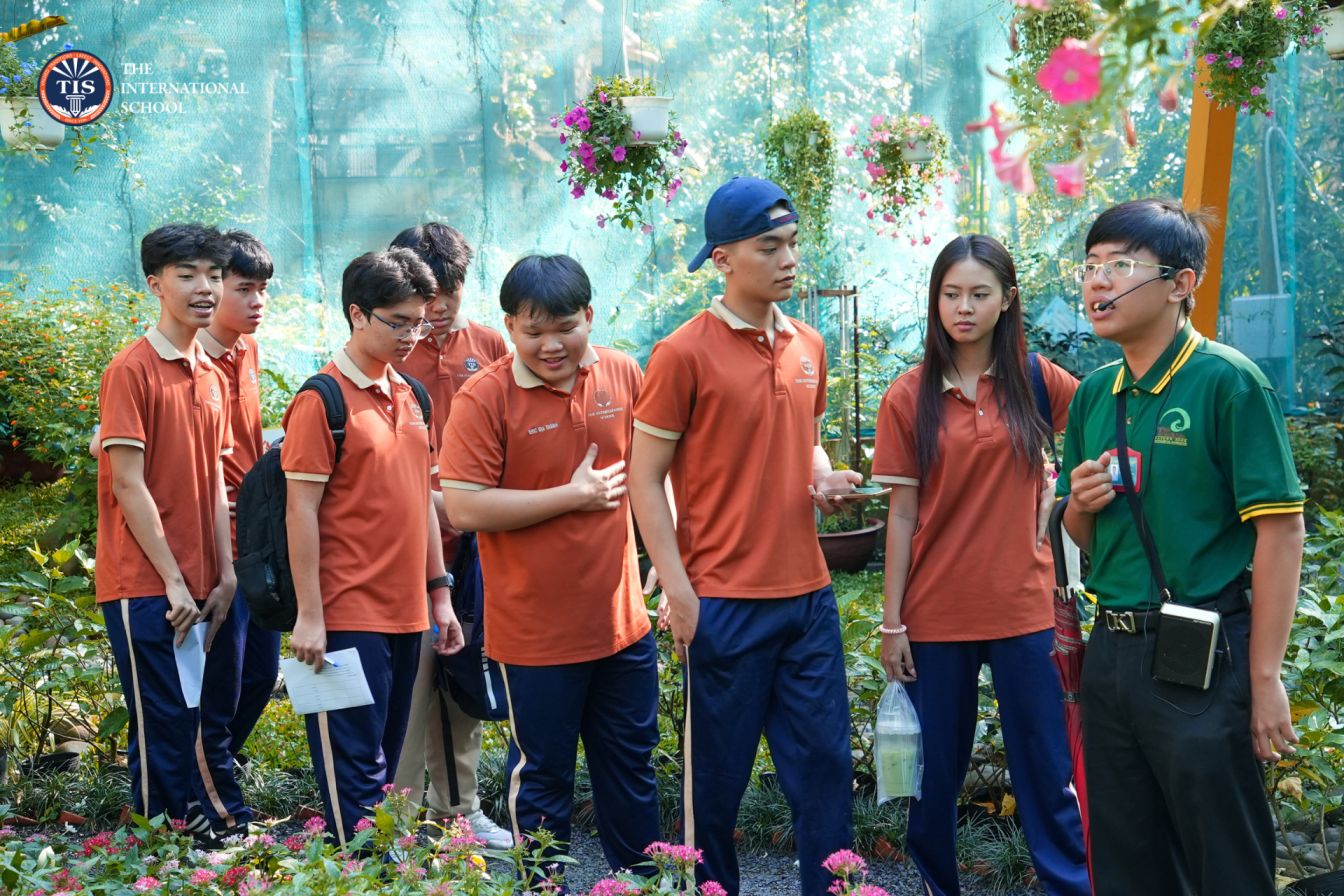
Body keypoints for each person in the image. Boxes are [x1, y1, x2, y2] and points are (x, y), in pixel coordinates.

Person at [1059, 198, 1305, 894]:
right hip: (1112, 654)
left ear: (1181, 283)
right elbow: (1083, 538)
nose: (1098, 281)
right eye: (1090, 266)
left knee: (1224, 860)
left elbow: (1281, 531)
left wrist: (1264, 680)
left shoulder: (1228, 382)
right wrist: (1077, 505)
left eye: (1120, 265)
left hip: (1203, 649)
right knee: (1127, 860)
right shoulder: (1095, 395)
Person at [628, 176, 859, 896]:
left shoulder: (808, 344)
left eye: (792, 243)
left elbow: (805, 440)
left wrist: (823, 478)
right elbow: (644, 479)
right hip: (722, 603)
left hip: (809, 600)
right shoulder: (681, 354)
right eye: (769, 247)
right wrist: (678, 588)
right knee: (715, 787)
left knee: (825, 771)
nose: (788, 259)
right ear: (723, 259)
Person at [871, 235, 1089, 896]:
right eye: (950, 294)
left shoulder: (1036, 379)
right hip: (936, 616)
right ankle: (938, 886)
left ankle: (1070, 888)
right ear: (935, 300)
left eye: (978, 294)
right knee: (933, 780)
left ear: (1007, 300)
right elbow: (901, 517)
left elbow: (1105, 429)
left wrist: (1063, 490)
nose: (963, 308)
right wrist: (891, 623)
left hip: (1025, 609)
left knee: (1047, 774)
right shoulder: (908, 396)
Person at [439, 254, 660, 873]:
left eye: (565, 327)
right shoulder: (485, 397)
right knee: (542, 777)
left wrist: (670, 561)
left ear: (589, 315)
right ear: (510, 326)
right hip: (535, 636)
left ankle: (643, 885)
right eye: (533, 331)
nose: (551, 345)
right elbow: (465, 506)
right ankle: (543, 887)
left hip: (623, 626)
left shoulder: (621, 371)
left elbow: (653, 472)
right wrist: (572, 496)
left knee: (632, 767)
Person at [281, 248, 464, 845]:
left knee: (384, 769)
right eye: (398, 322)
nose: (412, 335)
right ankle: (365, 876)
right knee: (354, 771)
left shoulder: (413, 395)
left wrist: (440, 596)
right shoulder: (321, 400)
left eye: (419, 323)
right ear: (357, 314)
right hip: (344, 615)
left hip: (408, 615)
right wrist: (310, 616)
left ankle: (381, 874)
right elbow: (300, 512)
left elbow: (421, 501)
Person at [95, 223, 240, 834]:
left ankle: (179, 829)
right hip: (146, 583)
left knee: (195, 712)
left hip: (202, 582)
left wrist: (226, 574)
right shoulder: (131, 369)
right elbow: (128, 486)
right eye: (187, 275)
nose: (205, 288)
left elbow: (214, 482)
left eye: (214, 275)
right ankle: (160, 841)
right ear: (156, 284)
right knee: (160, 715)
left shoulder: (211, 373)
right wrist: (174, 582)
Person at [386, 223, 512, 848]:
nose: (437, 309)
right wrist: (432, 503)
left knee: (465, 677)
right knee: (410, 685)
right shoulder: (388, 349)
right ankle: (397, 818)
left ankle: (460, 810)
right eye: (426, 296)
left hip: (476, 548)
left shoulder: (490, 345)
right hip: (406, 546)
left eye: (450, 292)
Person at [196, 230, 280, 773]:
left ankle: (219, 767)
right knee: (219, 678)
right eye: (244, 289)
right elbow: (106, 440)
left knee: (260, 673)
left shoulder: (246, 350)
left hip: (255, 540)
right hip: (211, 547)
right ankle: (204, 784)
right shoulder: (186, 358)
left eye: (263, 289)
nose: (257, 301)